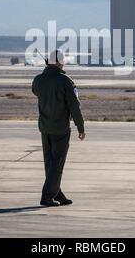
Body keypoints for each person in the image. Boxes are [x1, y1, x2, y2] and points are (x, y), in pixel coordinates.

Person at [32, 49, 85, 207]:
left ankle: (58, 194)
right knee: (57, 163)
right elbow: (75, 106)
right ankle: (47, 197)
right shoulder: (65, 81)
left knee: (50, 163)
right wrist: (80, 127)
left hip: (45, 128)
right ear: (61, 63)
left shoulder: (38, 79)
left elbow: (35, 90)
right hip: (60, 129)